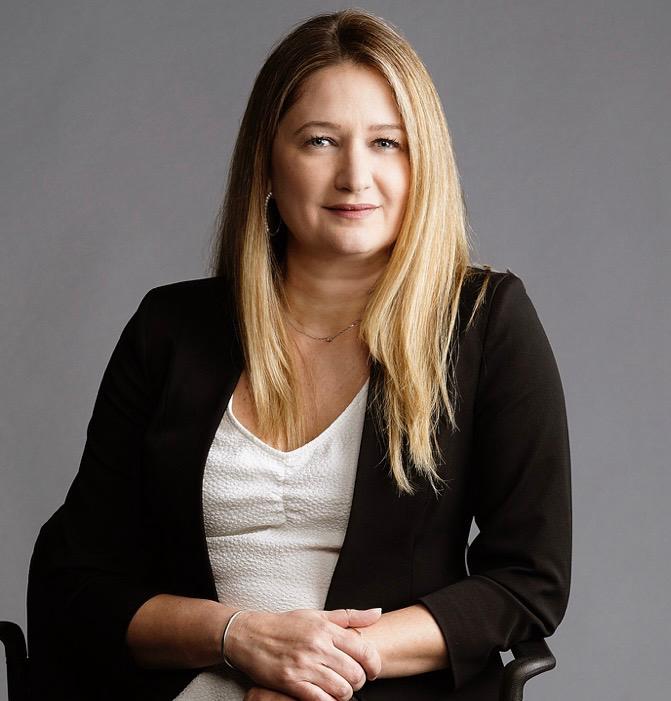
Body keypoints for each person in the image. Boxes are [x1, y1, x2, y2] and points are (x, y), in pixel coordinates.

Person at [25, 8, 572, 701]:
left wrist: (326, 663)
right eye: (320, 141)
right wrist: (240, 637)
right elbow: (75, 580)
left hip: (382, 686)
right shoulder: (170, 329)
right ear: (266, 160)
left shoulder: (483, 322)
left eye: (386, 143)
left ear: (423, 164)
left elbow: (526, 580)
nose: (355, 176)